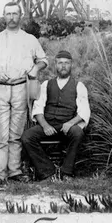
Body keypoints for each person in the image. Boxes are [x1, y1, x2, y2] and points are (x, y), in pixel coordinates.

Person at [0, 2, 48, 191]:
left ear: (20, 15)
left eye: (15, 14)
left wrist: (35, 68)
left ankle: (15, 172)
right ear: (4, 15)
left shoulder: (30, 39)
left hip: (21, 88)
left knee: (16, 134)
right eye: (8, 14)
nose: (11, 17)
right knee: (0, 135)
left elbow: (43, 60)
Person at [21, 50, 90, 181]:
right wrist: (45, 125)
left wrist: (70, 123)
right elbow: (38, 108)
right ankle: (47, 171)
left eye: (66, 63)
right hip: (48, 124)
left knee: (78, 133)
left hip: (67, 125)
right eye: (60, 63)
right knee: (27, 137)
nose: (63, 66)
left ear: (71, 65)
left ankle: (66, 172)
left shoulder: (78, 86)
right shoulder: (46, 84)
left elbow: (84, 111)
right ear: (55, 65)